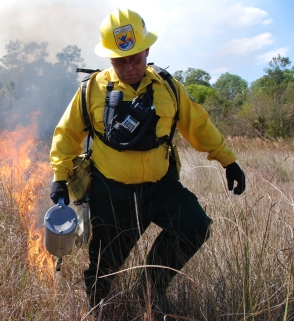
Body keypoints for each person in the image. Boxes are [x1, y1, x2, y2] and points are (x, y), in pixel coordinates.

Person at [49, 8, 246, 316]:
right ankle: (100, 310)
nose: (128, 68)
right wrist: (60, 179)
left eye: (135, 59)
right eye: (119, 60)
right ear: (109, 59)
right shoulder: (91, 91)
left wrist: (227, 161)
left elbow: (198, 124)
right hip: (112, 193)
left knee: (194, 225)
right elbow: (66, 134)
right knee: (104, 265)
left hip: (160, 187)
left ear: (147, 50)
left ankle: (149, 291)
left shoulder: (168, 87)